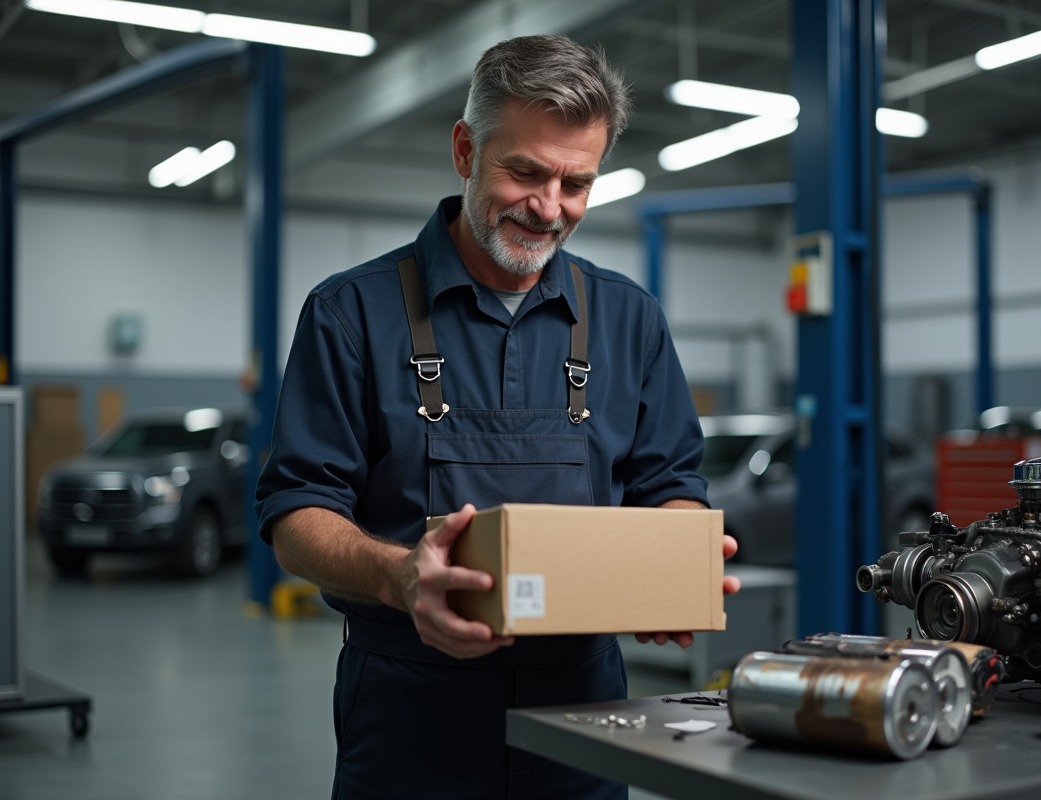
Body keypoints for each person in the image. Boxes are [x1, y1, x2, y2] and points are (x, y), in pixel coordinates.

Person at [255, 34, 740, 800]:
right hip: (410, 717)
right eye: (525, 172)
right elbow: (296, 513)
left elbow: (671, 484)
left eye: (576, 183)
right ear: (464, 149)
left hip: (586, 719)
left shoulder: (630, 319)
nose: (549, 209)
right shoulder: (349, 313)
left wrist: (671, 566)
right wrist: (396, 574)